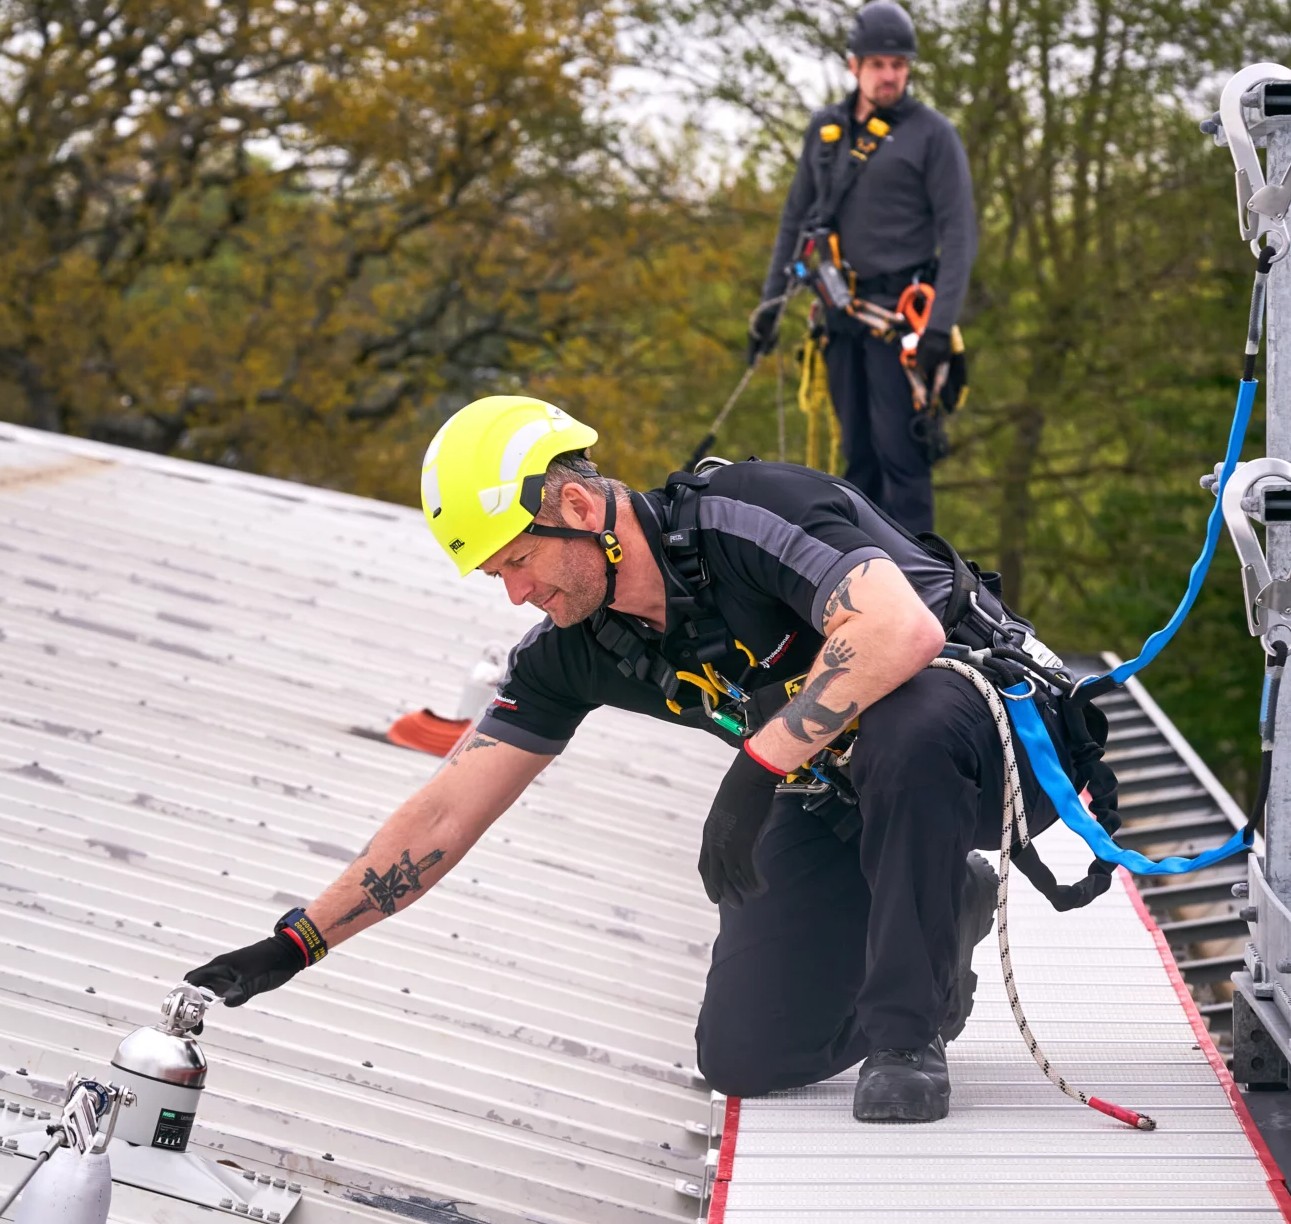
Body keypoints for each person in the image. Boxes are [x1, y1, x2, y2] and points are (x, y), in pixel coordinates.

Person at [186, 394, 1066, 1124]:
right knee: (746, 1055)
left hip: (995, 742)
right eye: (498, 577)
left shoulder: (747, 512)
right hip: (842, 788)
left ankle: (905, 1037)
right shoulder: (574, 647)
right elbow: (446, 810)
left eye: (520, 561)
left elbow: (900, 630)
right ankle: (941, 923)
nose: (519, 592)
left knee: (906, 721)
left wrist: (757, 767)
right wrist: (297, 942)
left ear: (576, 506)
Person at [749, 0, 977, 536]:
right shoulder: (826, 130)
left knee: (903, 460)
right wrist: (769, 306)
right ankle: (867, 578)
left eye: (899, 64)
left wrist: (941, 326)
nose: (890, 74)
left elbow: (960, 234)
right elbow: (795, 221)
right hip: (839, 313)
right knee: (855, 462)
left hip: (902, 318)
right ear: (854, 66)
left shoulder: (932, 134)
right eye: (878, 64)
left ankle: (925, 594)